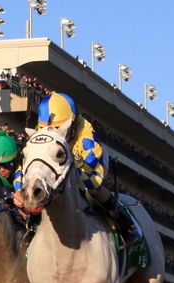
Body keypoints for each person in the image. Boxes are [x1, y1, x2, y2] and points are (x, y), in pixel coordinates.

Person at [14, 92, 138, 243]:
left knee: (92, 188)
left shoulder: (85, 133)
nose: (54, 134)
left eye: (59, 128)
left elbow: (94, 175)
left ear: (72, 122)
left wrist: (71, 173)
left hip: (86, 165)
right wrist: (19, 189)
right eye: (49, 129)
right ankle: (33, 224)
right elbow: (25, 166)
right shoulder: (40, 132)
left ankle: (121, 219)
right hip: (59, 165)